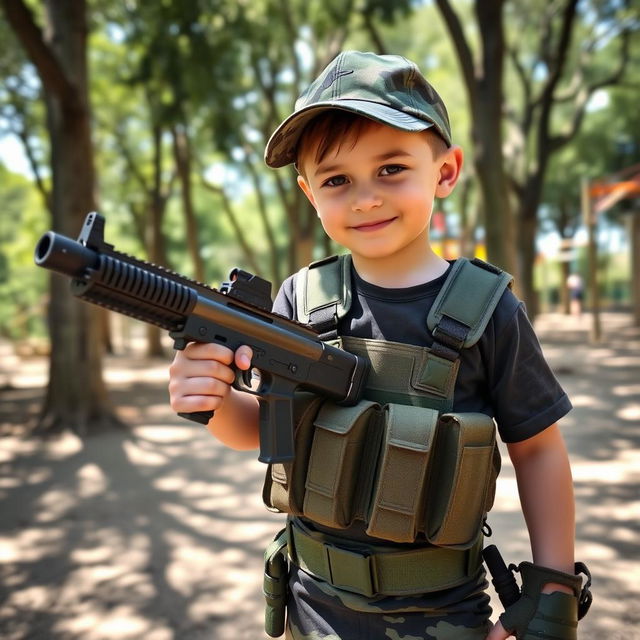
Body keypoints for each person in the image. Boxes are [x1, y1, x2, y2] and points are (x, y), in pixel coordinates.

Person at [168, 51, 589, 639]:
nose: (365, 198)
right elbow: (265, 430)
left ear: (445, 171)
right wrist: (210, 402)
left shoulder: (489, 310)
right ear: (309, 193)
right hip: (311, 606)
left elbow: (539, 450)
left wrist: (550, 598)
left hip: (442, 617)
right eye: (337, 179)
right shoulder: (301, 300)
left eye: (391, 168)